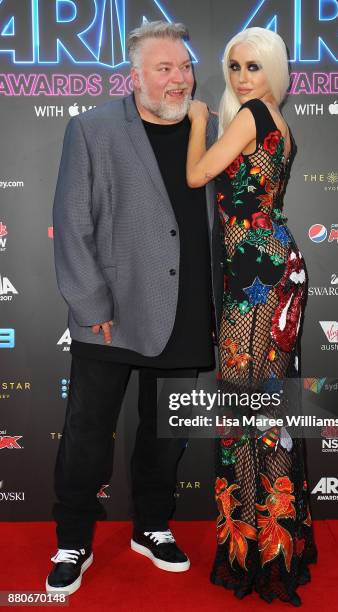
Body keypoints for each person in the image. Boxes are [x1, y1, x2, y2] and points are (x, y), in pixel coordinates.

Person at [47, 21, 222, 595]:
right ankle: (72, 538)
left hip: (187, 308)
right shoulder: (93, 129)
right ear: (136, 76)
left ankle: (152, 526)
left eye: (185, 67)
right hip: (112, 313)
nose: (179, 79)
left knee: (166, 434)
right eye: (165, 68)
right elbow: (73, 222)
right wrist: (90, 301)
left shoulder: (211, 128)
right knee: (88, 433)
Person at [186, 28, 317, 606]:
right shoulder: (280, 125)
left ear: (274, 72)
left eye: (254, 67)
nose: (241, 78)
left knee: (245, 403)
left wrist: (197, 123)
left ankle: (254, 551)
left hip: (256, 278)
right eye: (234, 67)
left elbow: (196, 175)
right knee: (267, 403)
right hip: (272, 265)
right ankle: (276, 540)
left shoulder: (250, 117)